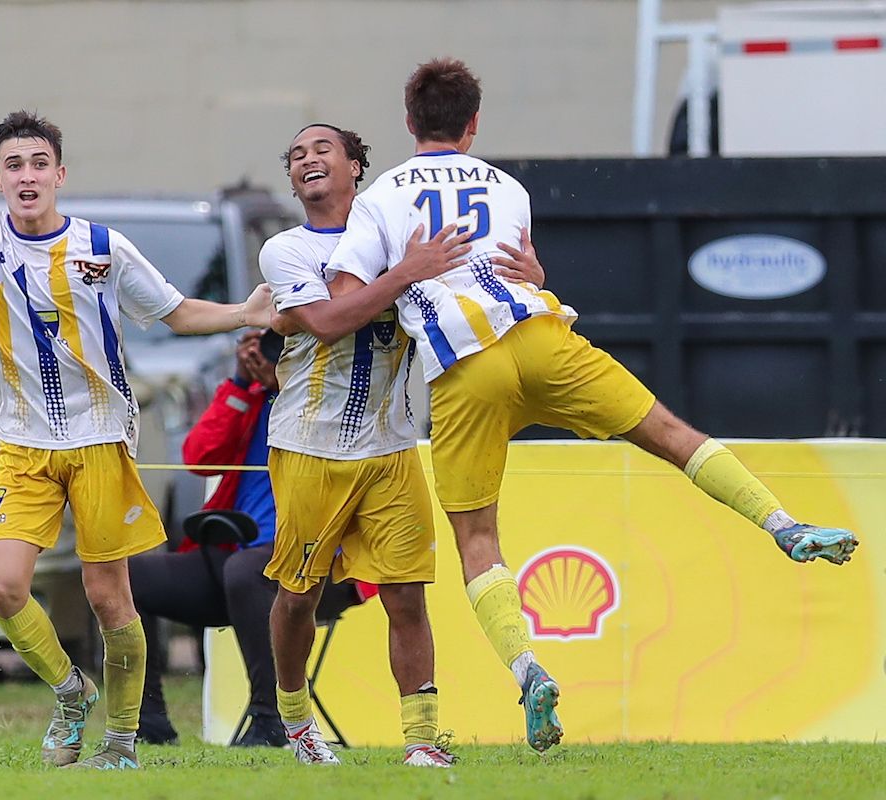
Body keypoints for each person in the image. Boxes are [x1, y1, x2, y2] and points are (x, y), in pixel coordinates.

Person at [320, 58, 860, 754]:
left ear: (408, 122)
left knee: (479, 541)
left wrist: (405, 274)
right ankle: (782, 524)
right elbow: (521, 266)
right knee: (669, 431)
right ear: (474, 123)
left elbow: (339, 301)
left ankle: (528, 668)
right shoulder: (507, 187)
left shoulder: (385, 195)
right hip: (544, 336)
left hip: (464, 366)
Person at [0, 110, 271, 770]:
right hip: (22, 446)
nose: (27, 176)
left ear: (59, 175)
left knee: (111, 597)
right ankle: (71, 693)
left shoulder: (103, 246)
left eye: (38, 164)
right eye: (14, 165)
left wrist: (246, 312)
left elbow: (176, 311)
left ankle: (123, 739)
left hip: (102, 440)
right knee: (5, 589)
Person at [259, 123, 545, 767]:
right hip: (311, 446)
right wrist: (408, 273)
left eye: (321, 150)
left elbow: (484, 300)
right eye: (295, 153)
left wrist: (532, 274)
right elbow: (332, 323)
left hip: (391, 449)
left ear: (357, 167)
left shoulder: (397, 232)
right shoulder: (286, 249)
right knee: (299, 595)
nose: (307, 159)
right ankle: (296, 717)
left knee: (408, 594)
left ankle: (421, 739)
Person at [128, 329, 363, 748]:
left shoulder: (334, 393)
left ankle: (272, 717)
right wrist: (240, 384)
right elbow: (199, 459)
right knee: (128, 577)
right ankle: (148, 724)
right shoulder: (252, 397)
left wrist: (291, 384)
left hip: (322, 564)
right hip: (240, 563)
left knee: (245, 571)